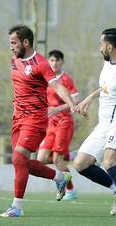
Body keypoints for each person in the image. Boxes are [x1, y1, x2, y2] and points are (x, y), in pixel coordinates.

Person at [0, 24, 76, 218]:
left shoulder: (41, 64)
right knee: (22, 163)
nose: (11, 46)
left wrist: (71, 104)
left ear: (25, 42)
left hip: (35, 119)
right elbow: (18, 87)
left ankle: (17, 207)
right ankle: (59, 177)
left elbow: (57, 86)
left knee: (18, 159)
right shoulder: (13, 61)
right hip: (18, 118)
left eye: (14, 42)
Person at [74, 28, 116, 220]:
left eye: (101, 44)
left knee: (109, 161)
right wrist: (89, 98)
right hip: (103, 124)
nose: (99, 47)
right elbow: (106, 88)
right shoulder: (108, 64)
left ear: (109, 46)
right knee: (80, 164)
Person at [37, 49, 81, 200]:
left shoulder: (66, 80)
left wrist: (58, 109)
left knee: (57, 160)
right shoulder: (46, 79)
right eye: (51, 60)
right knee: (41, 160)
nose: (54, 63)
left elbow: (76, 100)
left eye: (57, 60)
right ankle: (69, 155)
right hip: (50, 124)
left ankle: (71, 190)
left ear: (62, 62)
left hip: (64, 122)